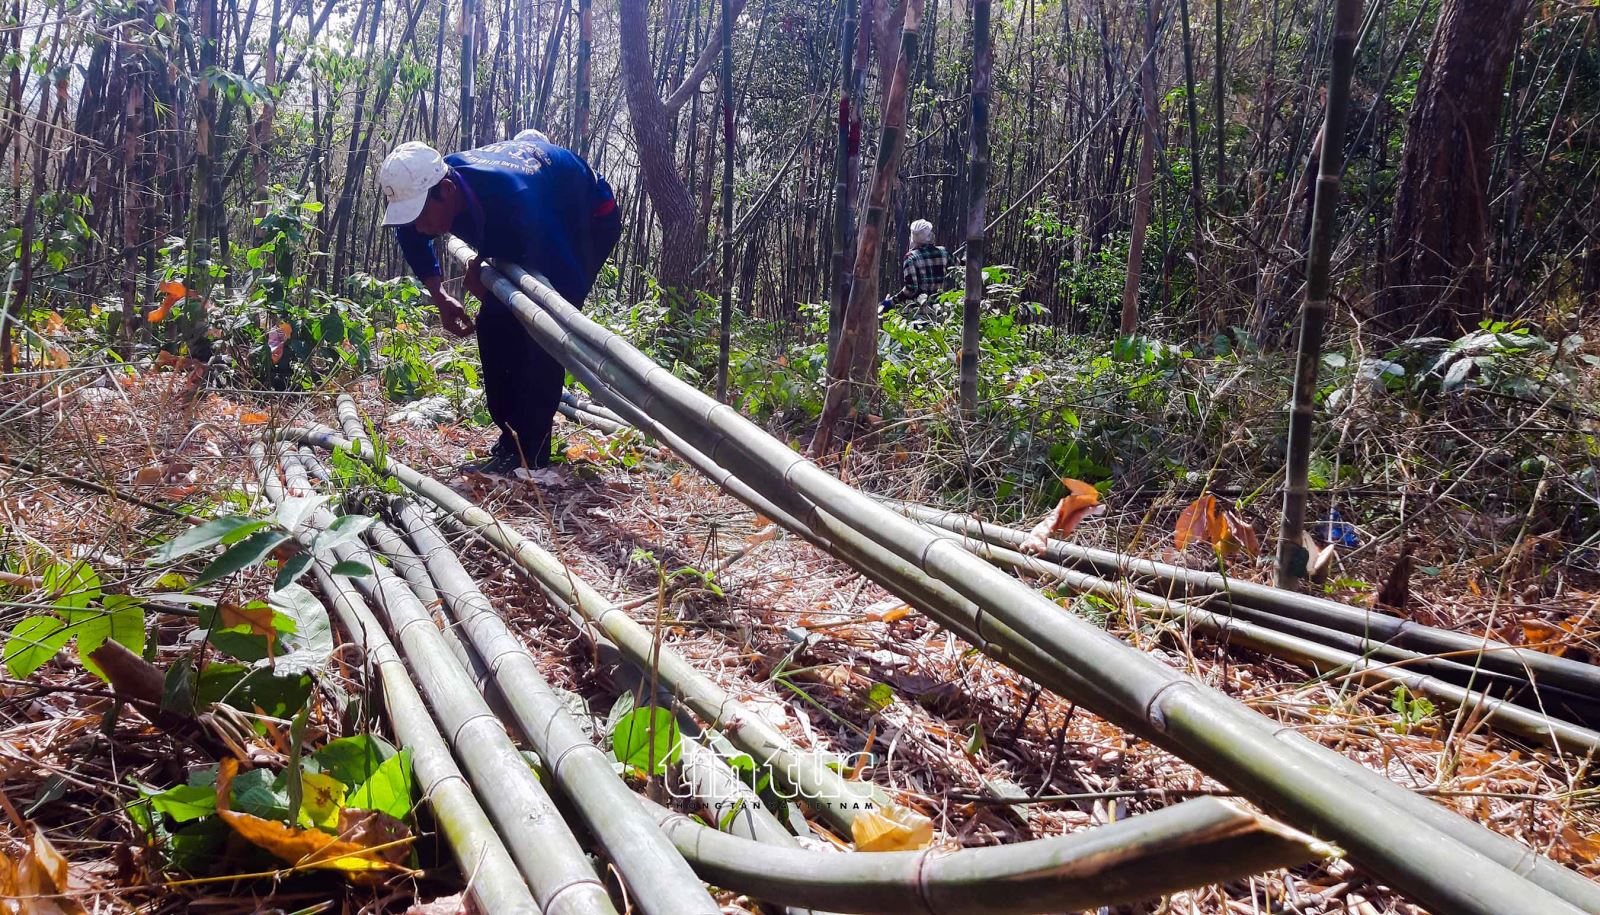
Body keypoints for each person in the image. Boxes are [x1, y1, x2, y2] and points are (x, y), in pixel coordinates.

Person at [379, 133, 622, 474]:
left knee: (539, 332)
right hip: (526, 214)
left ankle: (532, 450)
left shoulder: (518, 203)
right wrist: (440, 295)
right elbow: (411, 233)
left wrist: (493, 293)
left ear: (447, 193)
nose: (418, 224)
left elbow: (557, 301)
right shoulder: (433, 186)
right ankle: (510, 440)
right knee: (494, 323)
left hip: (588, 216)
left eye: (419, 214)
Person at [881, 219, 952, 316]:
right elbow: (960, 266)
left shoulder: (911, 257)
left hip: (918, 313)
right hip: (939, 311)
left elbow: (911, 289)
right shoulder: (943, 252)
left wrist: (890, 303)